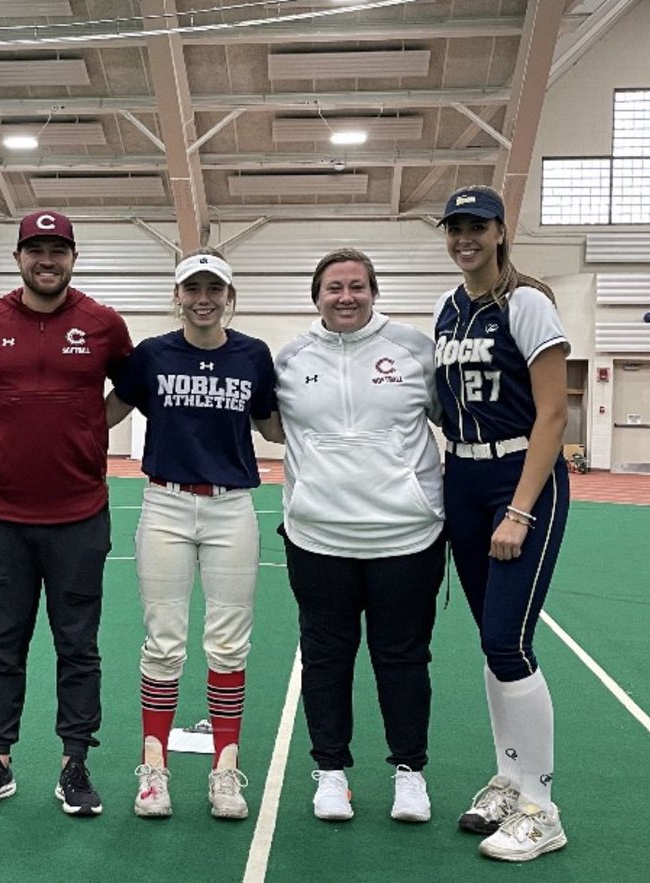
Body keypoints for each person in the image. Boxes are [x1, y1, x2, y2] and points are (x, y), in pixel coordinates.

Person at [0, 210, 133, 817]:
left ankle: (74, 764)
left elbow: (129, 389)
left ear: (73, 257)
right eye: (35, 249)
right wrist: (9, 415)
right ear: (18, 256)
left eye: (57, 250)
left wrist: (83, 427)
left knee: (77, 646)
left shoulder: (103, 324)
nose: (45, 260)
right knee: (3, 646)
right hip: (1, 515)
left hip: (80, 514)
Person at [269, 248, 445, 825]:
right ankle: (331, 774)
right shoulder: (290, 359)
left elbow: (455, 420)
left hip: (407, 536)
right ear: (315, 296)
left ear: (374, 291)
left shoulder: (416, 350)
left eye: (357, 287)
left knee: (402, 658)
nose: (346, 297)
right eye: (333, 288)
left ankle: (410, 774)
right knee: (325, 658)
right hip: (318, 536)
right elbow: (269, 425)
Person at [105, 250, 276, 820]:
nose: (203, 298)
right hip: (166, 505)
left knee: (228, 643)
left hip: (232, 509)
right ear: (177, 295)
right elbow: (103, 413)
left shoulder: (254, 354)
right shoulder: (152, 355)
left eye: (213, 288)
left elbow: (275, 423)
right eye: (192, 288)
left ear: (229, 295)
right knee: (164, 642)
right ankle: (154, 770)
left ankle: (225, 772)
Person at [434, 185, 570, 862]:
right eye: (455, 228)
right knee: (493, 646)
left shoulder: (527, 303)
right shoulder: (448, 309)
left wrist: (520, 506)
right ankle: (510, 779)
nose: (465, 238)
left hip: (520, 477)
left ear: (499, 231)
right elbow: (443, 406)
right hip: (462, 478)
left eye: (476, 227)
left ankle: (543, 807)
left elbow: (553, 413)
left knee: (507, 639)